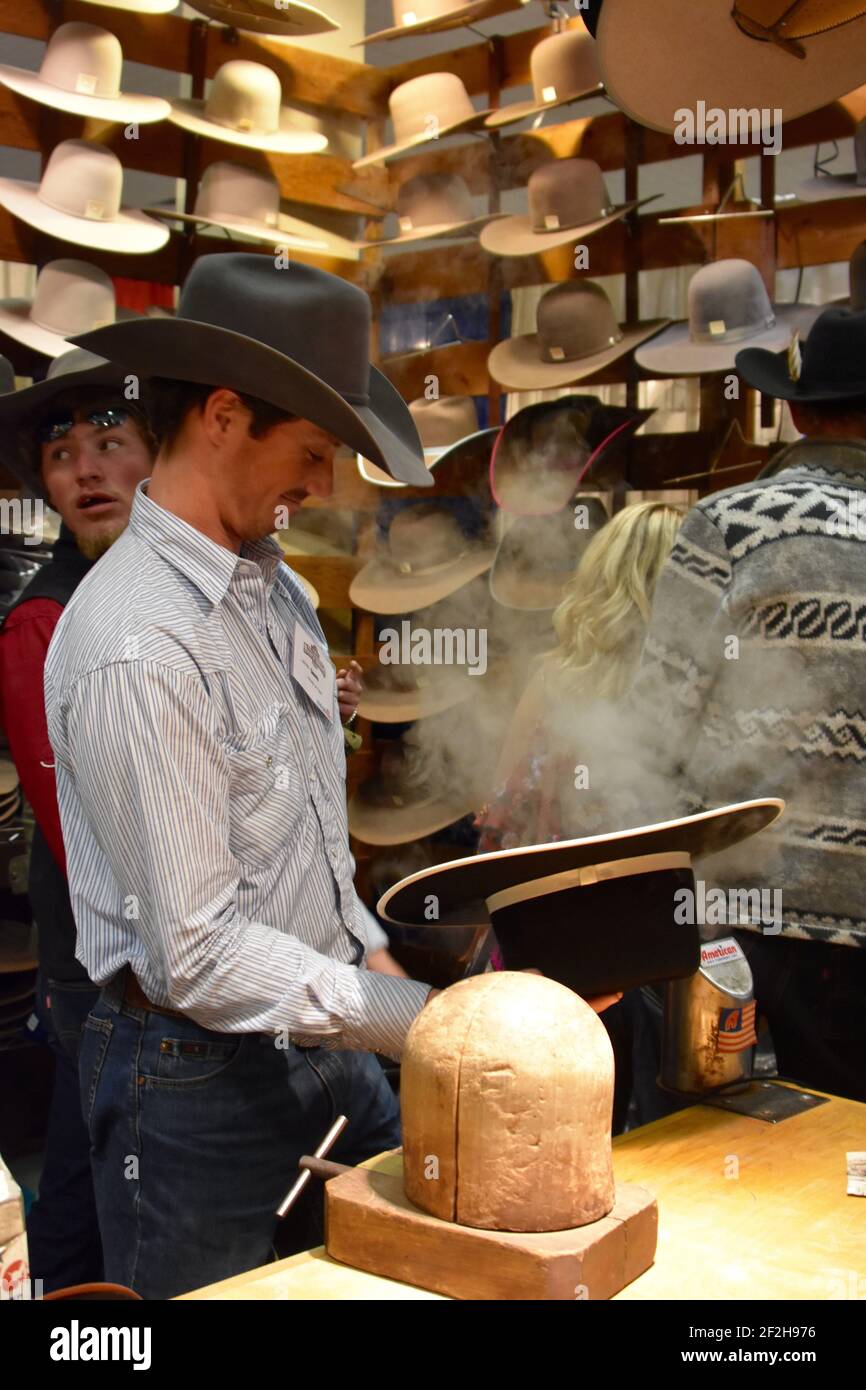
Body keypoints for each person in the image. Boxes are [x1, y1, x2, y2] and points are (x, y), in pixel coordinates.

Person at [621, 307, 866, 1103]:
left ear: (793, 408)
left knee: (730, 1169)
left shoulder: (731, 523)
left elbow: (655, 727)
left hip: (750, 924)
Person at [0, 350, 157, 1290]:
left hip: (155, 959)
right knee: (90, 1175)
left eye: (110, 445)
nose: (87, 471)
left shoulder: (137, 591)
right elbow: (73, 823)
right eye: (64, 457)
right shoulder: (42, 623)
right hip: (106, 962)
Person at [476, 501, 685, 1130]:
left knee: (551, 1129)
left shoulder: (550, 677)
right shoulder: (680, 692)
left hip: (547, 940)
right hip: (657, 948)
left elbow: (498, 817)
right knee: (661, 1138)